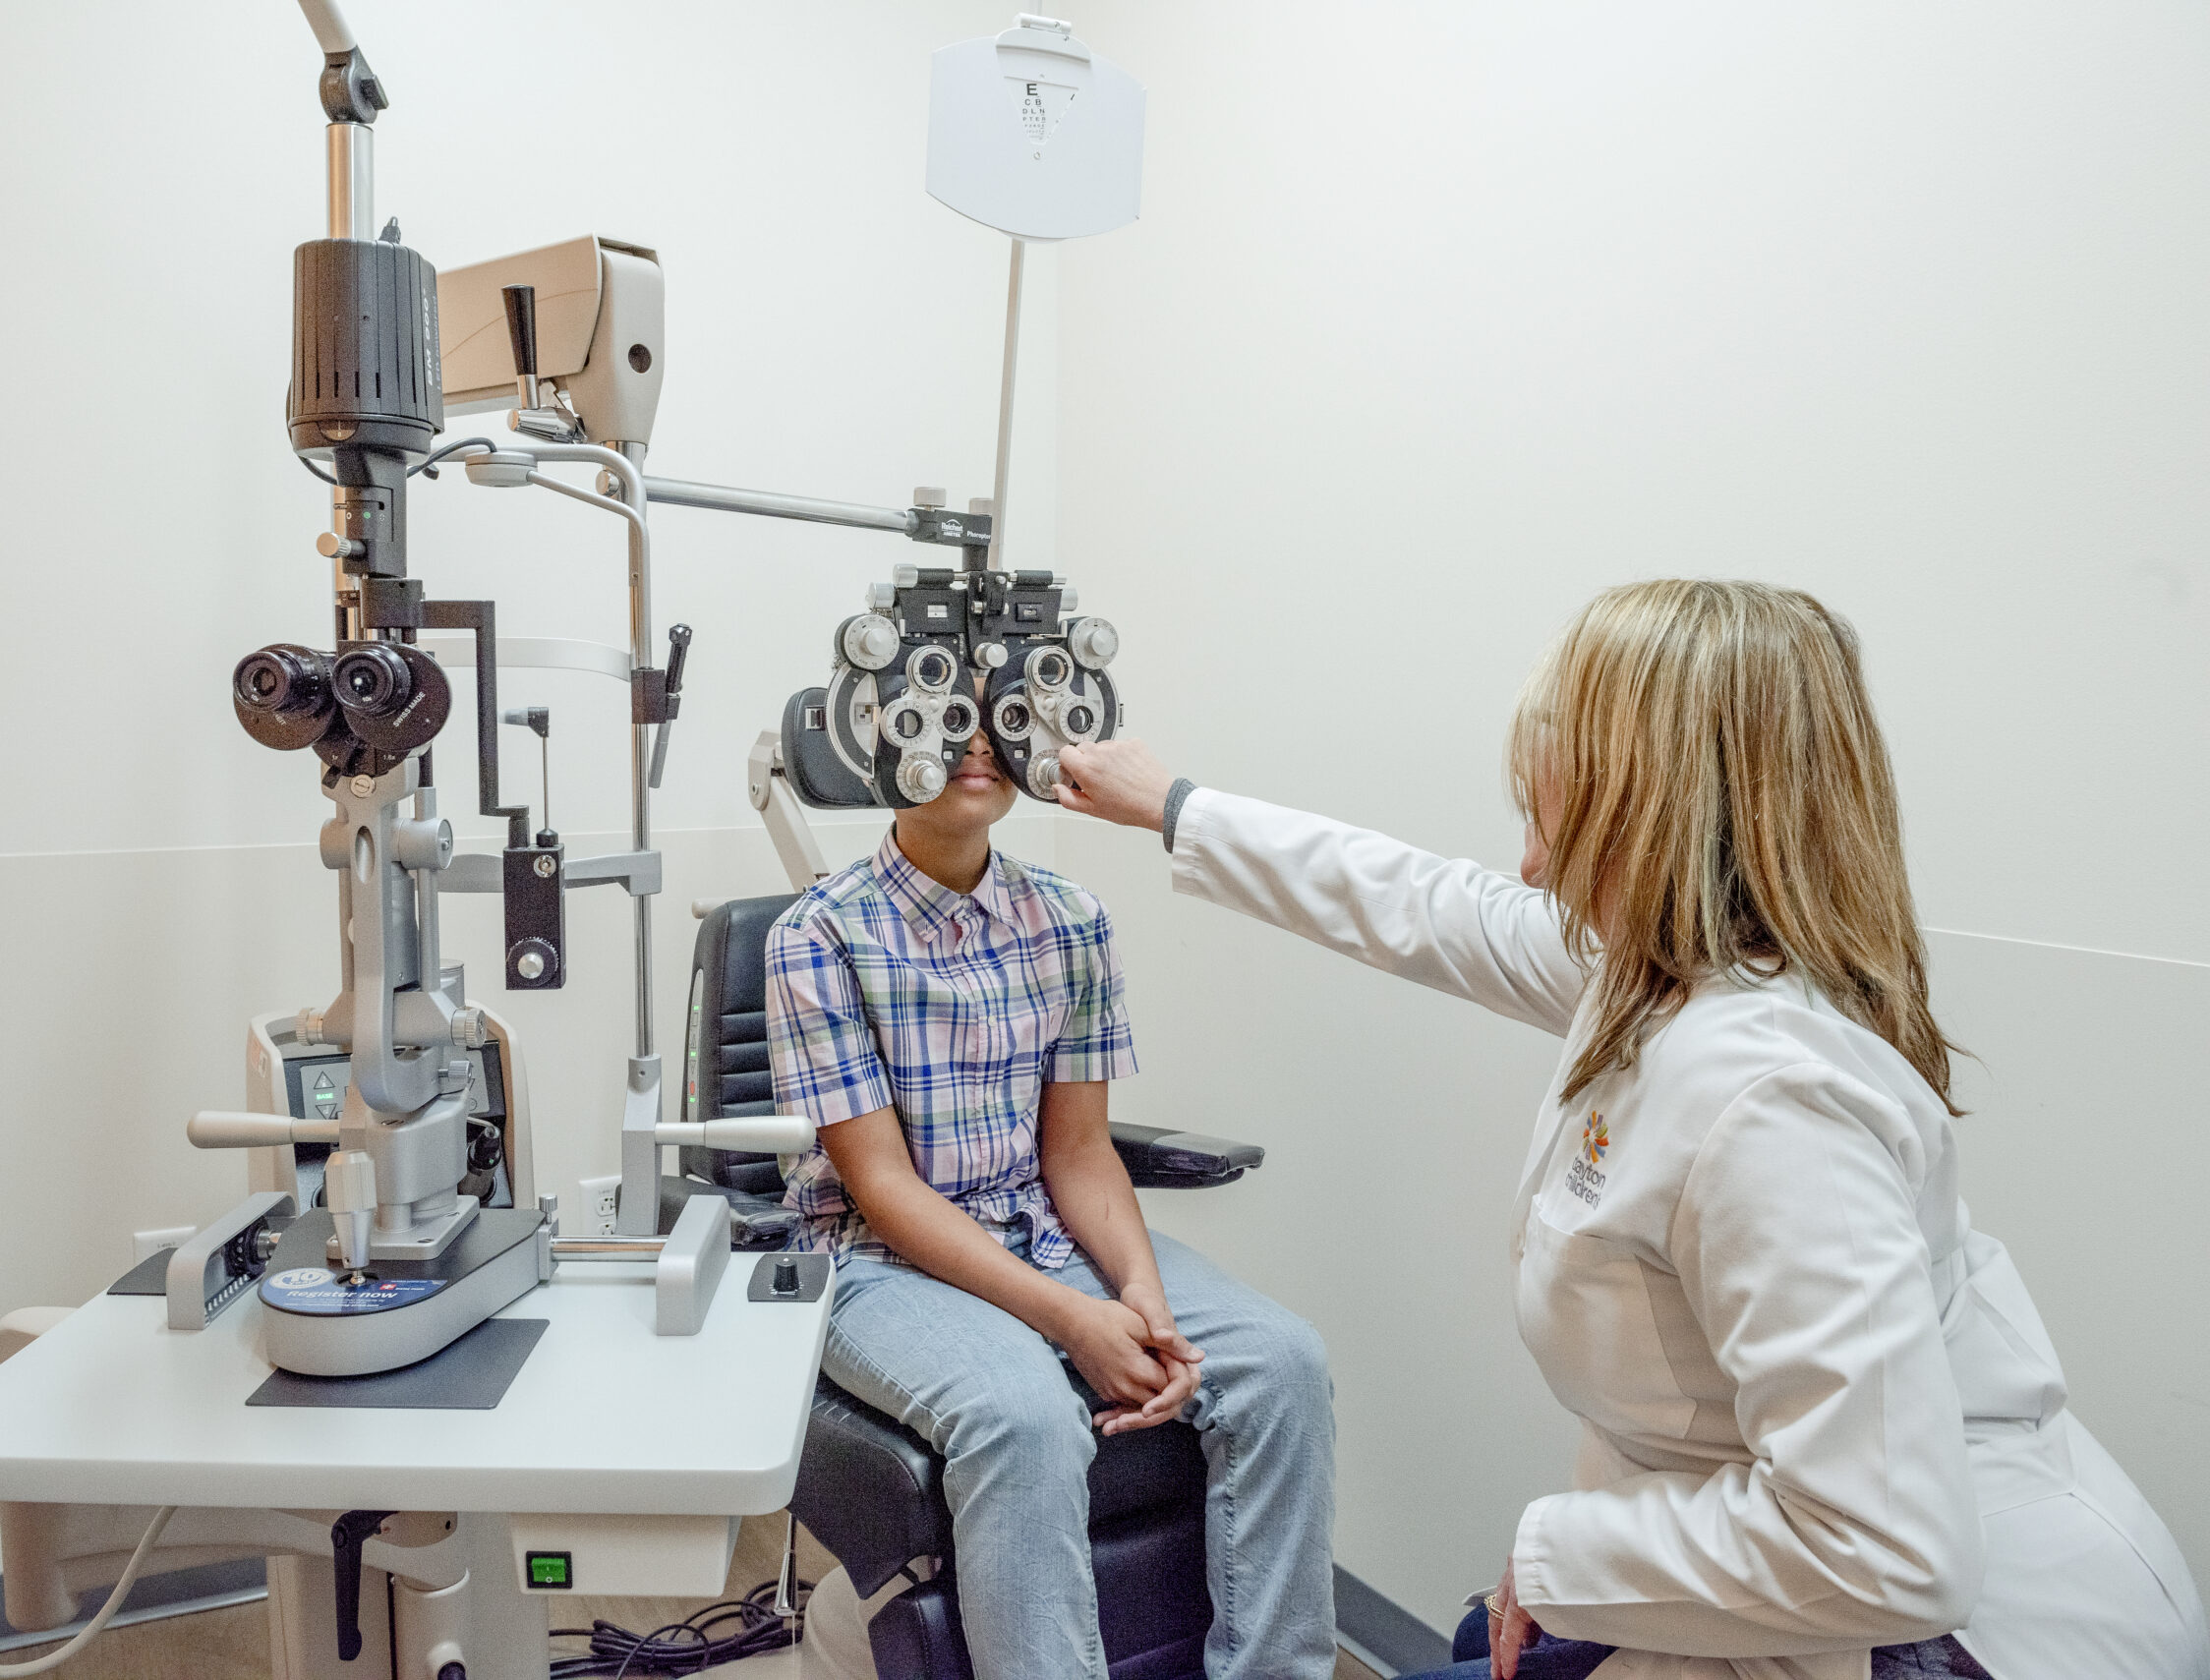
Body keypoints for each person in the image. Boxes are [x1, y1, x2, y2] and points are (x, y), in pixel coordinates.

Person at [1057, 580, 2208, 1680]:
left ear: (1656, 813)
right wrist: (1176, 805)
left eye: (1554, 811)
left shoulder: (1767, 1097)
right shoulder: (1680, 969)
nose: (1528, 861)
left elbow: (1889, 1550)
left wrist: (1553, 1556)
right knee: (1480, 1636)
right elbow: (1428, 903)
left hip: (1961, 1641)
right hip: (1829, 1570)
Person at [764, 707, 1339, 1680]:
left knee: (1282, 1363)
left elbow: (1077, 1153)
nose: (976, 743)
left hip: (1042, 1227)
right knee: (1022, 1415)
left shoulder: (1068, 916)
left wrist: (1137, 1291)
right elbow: (884, 1187)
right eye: (943, 716)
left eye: (996, 717)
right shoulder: (817, 934)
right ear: (878, 733)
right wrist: (1076, 1318)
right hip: (873, 1255)